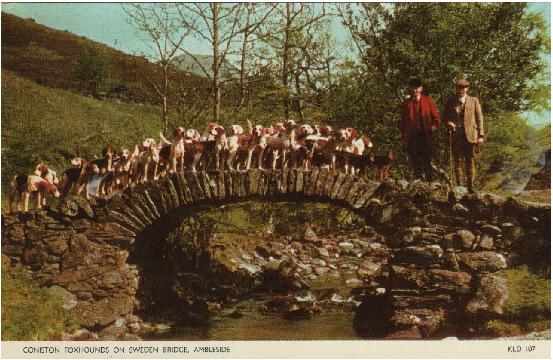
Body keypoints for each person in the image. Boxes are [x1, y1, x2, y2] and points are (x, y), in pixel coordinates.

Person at [443, 79, 484, 193]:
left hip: (471, 136)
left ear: (467, 89)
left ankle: (471, 187)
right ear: (456, 89)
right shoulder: (451, 102)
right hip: (456, 137)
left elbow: (479, 118)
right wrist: (449, 123)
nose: (460, 90)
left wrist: (480, 135)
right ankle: (459, 186)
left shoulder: (474, 101)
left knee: (470, 162)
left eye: (463, 88)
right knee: (457, 161)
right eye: (458, 88)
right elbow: (444, 118)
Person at [400, 78, 441, 181]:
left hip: (425, 135)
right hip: (412, 136)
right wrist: (404, 136)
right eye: (413, 88)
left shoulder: (428, 101)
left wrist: (434, 127)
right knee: (414, 160)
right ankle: (418, 183)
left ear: (421, 89)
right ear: (410, 89)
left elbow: (436, 118)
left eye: (417, 88)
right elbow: (403, 122)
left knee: (427, 159)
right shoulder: (406, 104)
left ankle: (429, 182)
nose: (415, 90)